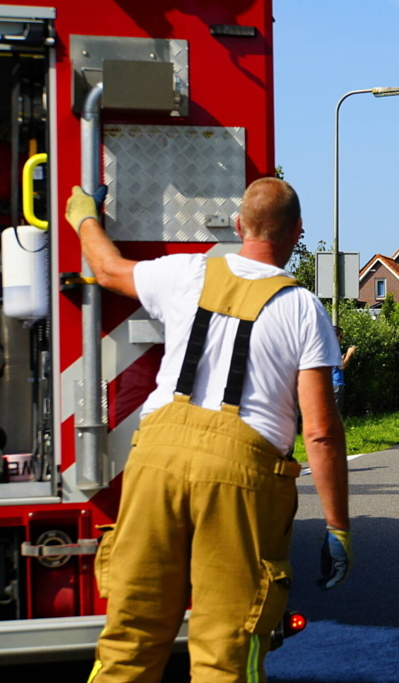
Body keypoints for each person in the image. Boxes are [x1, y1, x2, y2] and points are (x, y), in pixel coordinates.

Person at [66, 178, 352, 683]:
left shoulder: (186, 272)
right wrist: (338, 528)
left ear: (240, 226)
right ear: (296, 233)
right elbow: (322, 432)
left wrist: (84, 216)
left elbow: (107, 270)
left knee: (128, 642)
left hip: (156, 461)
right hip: (241, 477)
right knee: (225, 651)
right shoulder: (304, 309)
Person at [332, 326, 357, 414]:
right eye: (340, 336)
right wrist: (349, 354)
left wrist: (343, 357)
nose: (342, 339)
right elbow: (342, 366)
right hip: (336, 384)